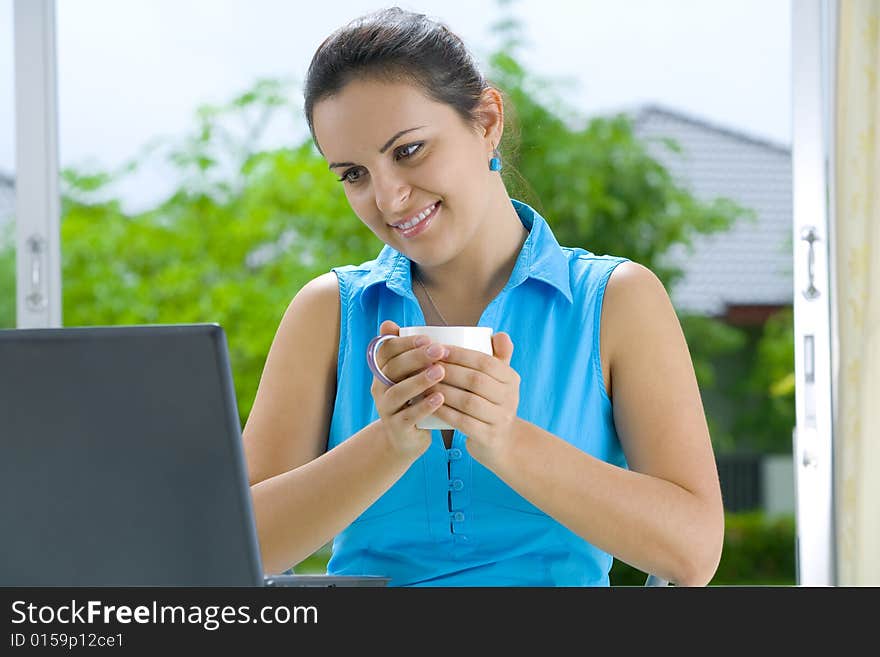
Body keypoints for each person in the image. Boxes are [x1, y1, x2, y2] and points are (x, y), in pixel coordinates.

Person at [243, 6, 724, 587]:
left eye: (409, 150)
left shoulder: (615, 301)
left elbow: (693, 553)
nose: (389, 199)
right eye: (353, 174)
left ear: (487, 121)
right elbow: (240, 549)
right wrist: (390, 442)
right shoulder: (330, 311)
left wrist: (506, 439)